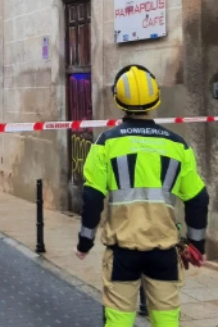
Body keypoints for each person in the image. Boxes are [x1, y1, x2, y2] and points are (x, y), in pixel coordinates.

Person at [75, 65, 209, 327]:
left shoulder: (106, 143)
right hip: (164, 254)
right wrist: (196, 244)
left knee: (118, 321)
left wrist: (85, 241)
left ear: (118, 102)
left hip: (122, 254)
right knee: (167, 320)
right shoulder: (177, 145)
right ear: (155, 100)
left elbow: (92, 198)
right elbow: (198, 198)